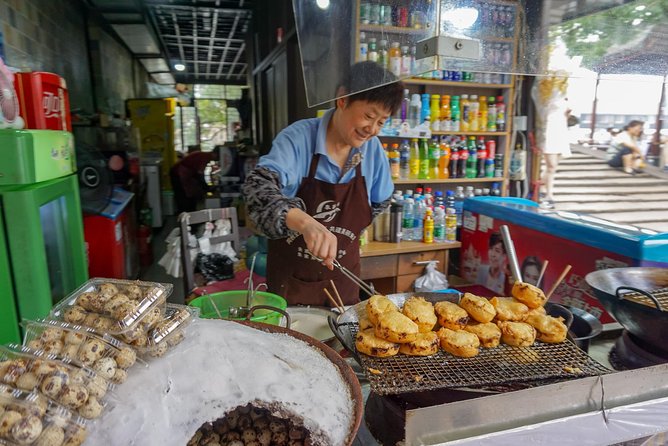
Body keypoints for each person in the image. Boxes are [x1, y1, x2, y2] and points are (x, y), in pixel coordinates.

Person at [242, 62, 403, 306]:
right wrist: (306, 224)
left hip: (343, 287)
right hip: (290, 292)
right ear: (342, 99)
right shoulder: (297, 139)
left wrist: (345, 235)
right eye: (369, 116)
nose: (372, 129)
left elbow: (380, 201)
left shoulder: (372, 151)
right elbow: (258, 191)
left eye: (381, 122)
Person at [531, 74, 571, 209]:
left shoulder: (562, 95)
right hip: (550, 130)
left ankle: (543, 191)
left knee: (552, 167)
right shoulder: (545, 95)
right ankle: (548, 194)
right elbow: (543, 113)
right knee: (551, 166)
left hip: (560, 130)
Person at [170, 149, 219, 214]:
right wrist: (207, 188)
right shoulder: (205, 157)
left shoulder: (203, 155)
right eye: (218, 157)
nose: (217, 159)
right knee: (183, 195)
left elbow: (198, 174)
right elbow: (200, 175)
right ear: (214, 154)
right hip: (178, 173)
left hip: (181, 172)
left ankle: (188, 212)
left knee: (188, 193)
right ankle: (185, 214)